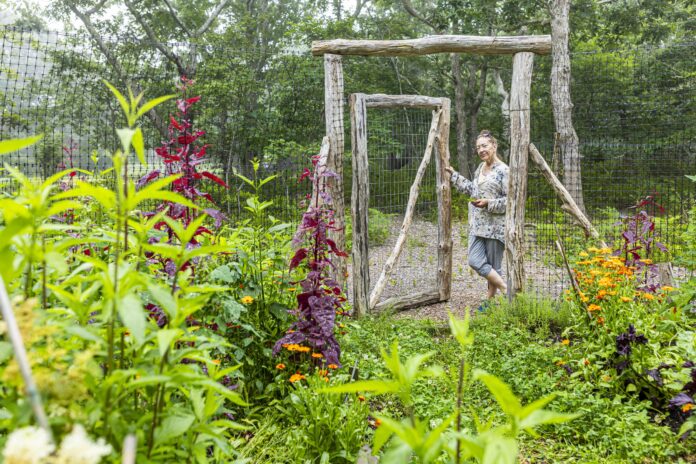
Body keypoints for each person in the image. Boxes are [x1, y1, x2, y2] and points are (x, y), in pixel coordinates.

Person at [445, 130, 508, 305]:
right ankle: (506, 289)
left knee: (494, 268)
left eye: (484, 146)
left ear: (494, 146)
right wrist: (454, 176)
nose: (481, 150)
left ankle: (488, 304)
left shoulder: (504, 170)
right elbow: (473, 190)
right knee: (475, 260)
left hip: (495, 227)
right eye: (478, 147)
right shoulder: (480, 168)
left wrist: (489, 203)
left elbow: (511, 201)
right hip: (477, 225)